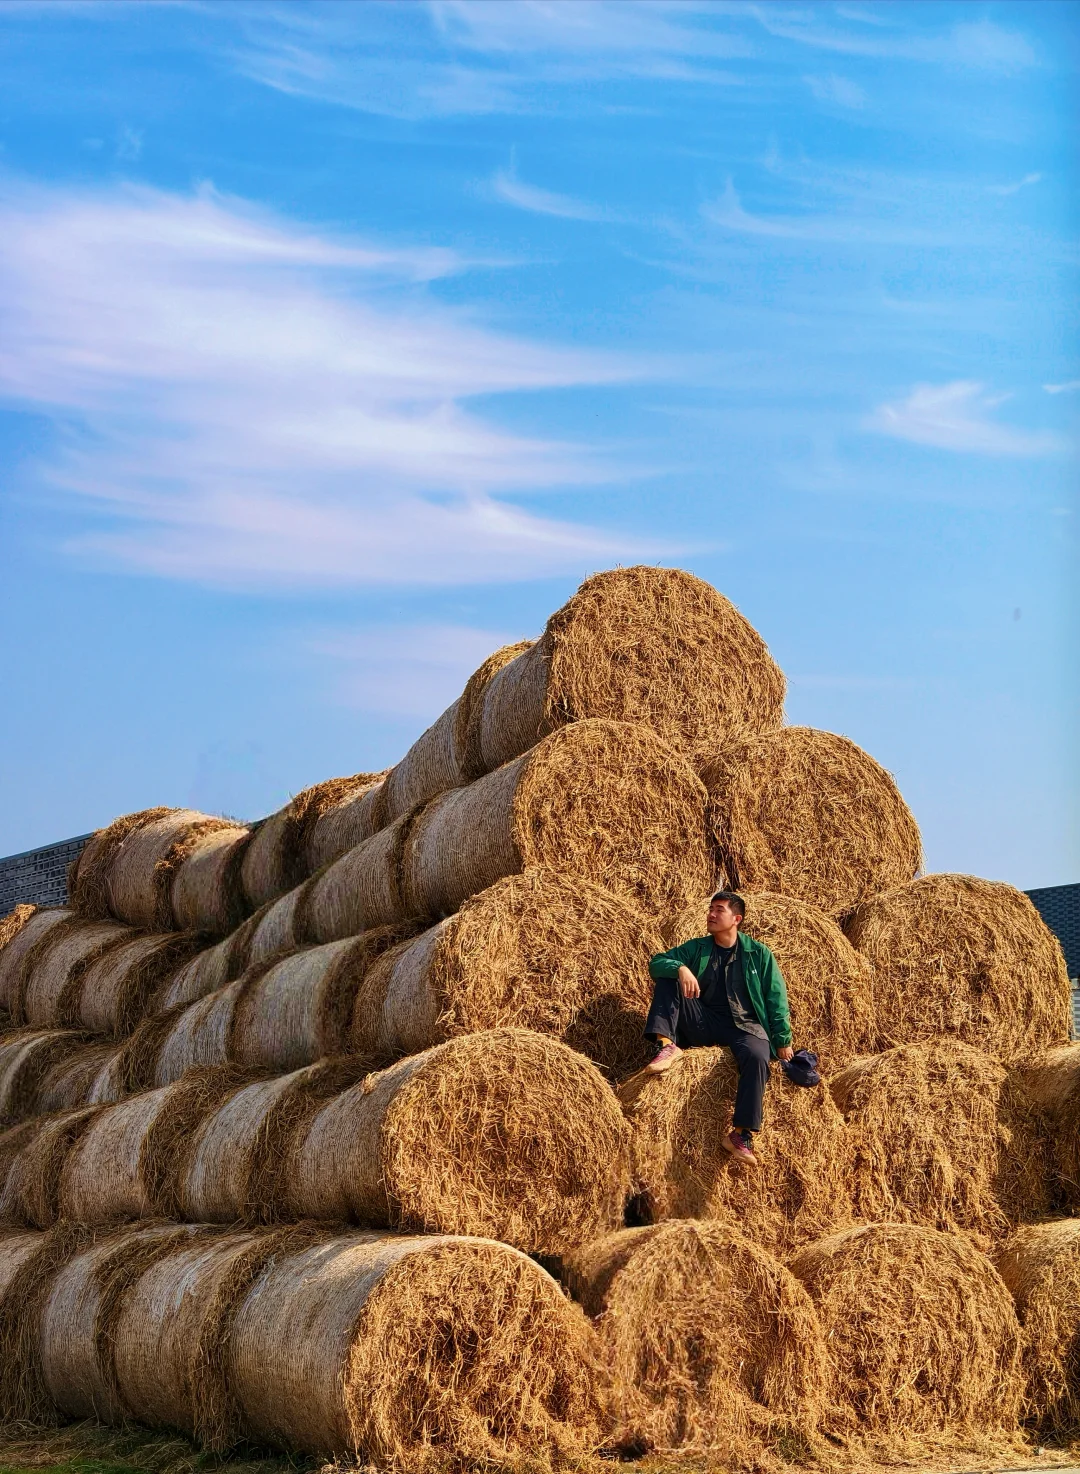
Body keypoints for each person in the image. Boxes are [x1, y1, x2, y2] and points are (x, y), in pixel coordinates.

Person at [643, 890, 793, 1167]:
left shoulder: (758, 954)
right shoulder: (698, 948)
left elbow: (776, 997)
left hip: (744, 1025)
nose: (711, 914)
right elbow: (656, 963)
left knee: (758, 1056)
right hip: (703, 1020)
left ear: (736, 919)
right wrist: (681, 969)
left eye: (719, 910)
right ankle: (666, 1046)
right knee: (669, 978)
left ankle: (741, 1134)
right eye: (710, 909)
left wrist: (782, 1039)